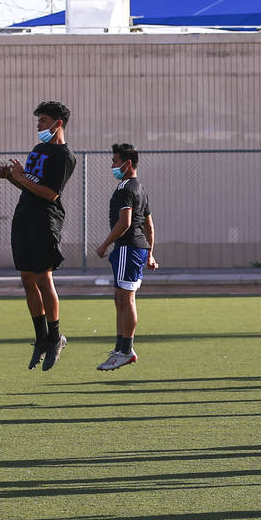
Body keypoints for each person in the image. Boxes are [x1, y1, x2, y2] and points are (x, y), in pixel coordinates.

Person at [0, 101, 77, 372]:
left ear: (58, 124)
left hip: (45, 219)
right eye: (38, 120)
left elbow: (51, 193)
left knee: (44, 278)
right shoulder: (39, 149)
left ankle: (56, 338)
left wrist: (21, 177)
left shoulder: (64, 156)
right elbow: (29, 184)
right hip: (24, 217)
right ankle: (41, 339)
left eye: (43, 120)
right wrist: (10, 177)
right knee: (27, 279)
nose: (39, 125)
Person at [94, 143, 158, 370]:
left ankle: (126, 350)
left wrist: (104, 244)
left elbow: (126, 222)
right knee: (120, 298)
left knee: (126, 298)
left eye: (115, 161)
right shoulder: (140, 188)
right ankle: (120, 347)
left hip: (127, 248)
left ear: (127, 163)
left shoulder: (125, 189)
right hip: (135, 249)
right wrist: (150, 254)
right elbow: (149, 225)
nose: (112, 166)